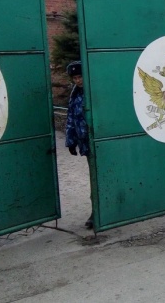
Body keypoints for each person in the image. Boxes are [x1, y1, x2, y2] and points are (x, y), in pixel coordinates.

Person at [65, 60, 94, 228]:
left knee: (100, 177)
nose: (78, 80)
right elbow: (71, 118)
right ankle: (96, 212)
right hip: (86, 143)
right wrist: (71, 141)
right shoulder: (75, 94)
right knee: (93, 177)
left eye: (80, 76)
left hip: (98, 141)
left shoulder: (93, 91)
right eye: (75, 78)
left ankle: (98, 213)